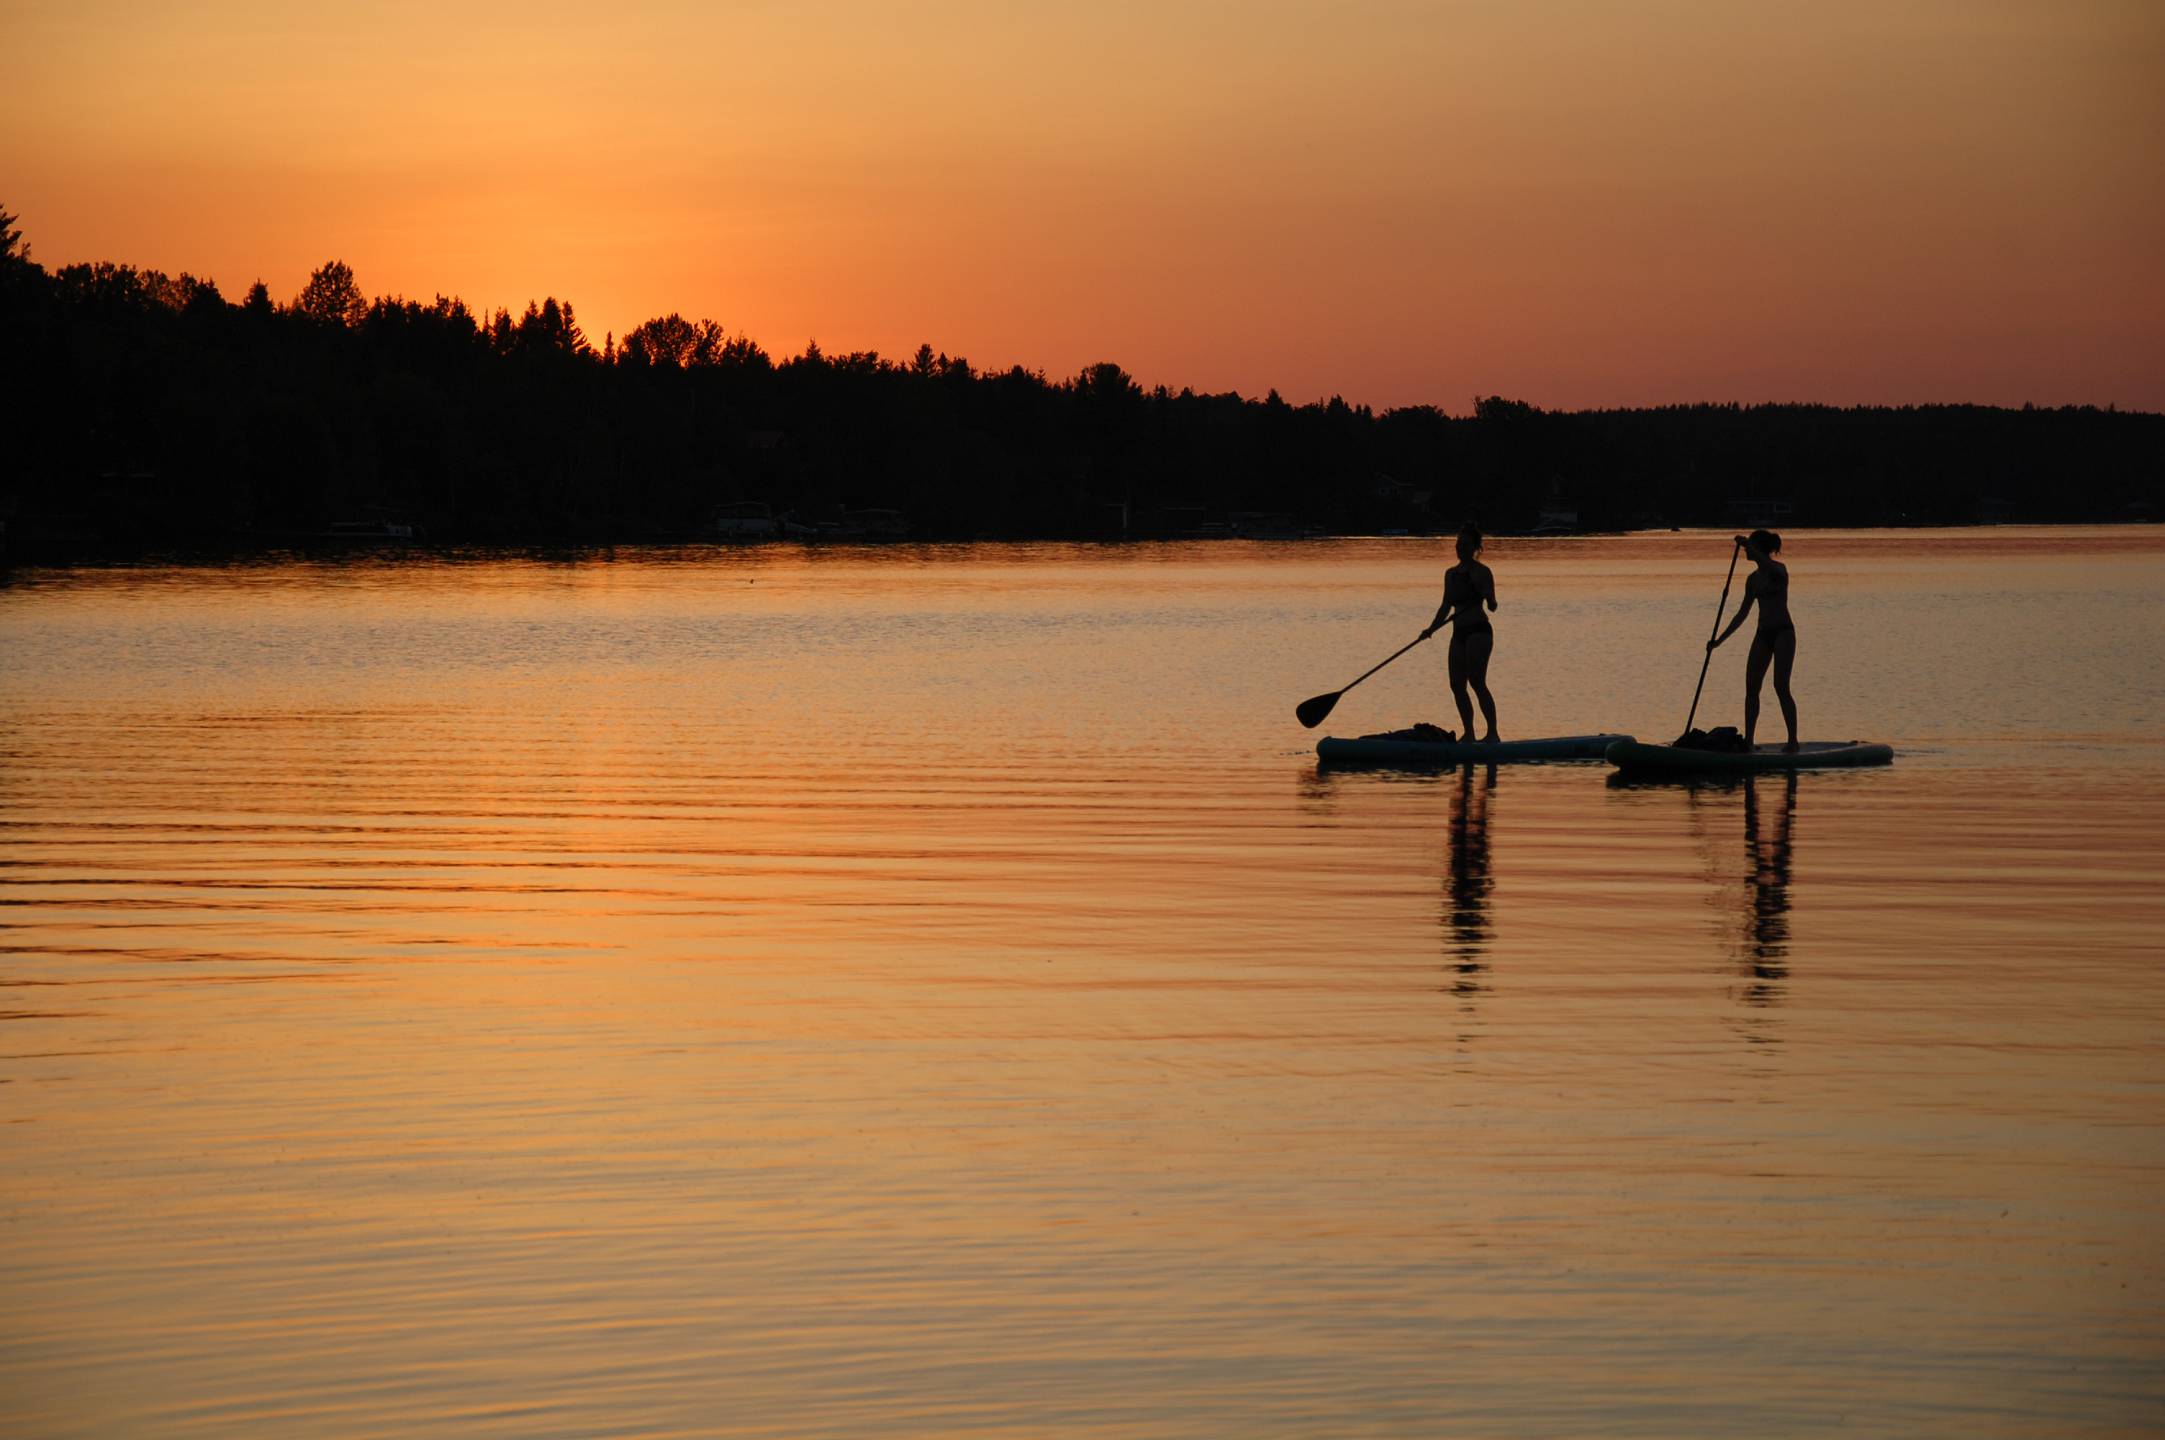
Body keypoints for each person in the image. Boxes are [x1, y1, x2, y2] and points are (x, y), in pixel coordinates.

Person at [1707, 529, 1798, 751]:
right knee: (1751, 688)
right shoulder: (1753, 580)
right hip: (1763, 634)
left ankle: (1793, 741)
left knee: (1780, 686)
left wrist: (1750, 546)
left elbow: (1765, 563)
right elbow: (1742, 614)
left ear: (1760, 549)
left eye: (1751, 548)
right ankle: (1749, 741)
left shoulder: (1779, 571)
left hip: (1784, 633)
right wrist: (1718, 641)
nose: (1746, 551)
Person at [1422, 524, 1500, 742]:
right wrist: (1430, 629)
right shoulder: (1450, 574)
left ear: (1475, 548)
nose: (1460, 548)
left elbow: (1493, 605)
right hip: (1459, 634)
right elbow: (1445, 606)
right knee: (1457, 684)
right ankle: (1469, 733)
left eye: (1465, 544)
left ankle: (1493, 733)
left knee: (1477, 681)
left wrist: (1489, 597)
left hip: (1479, 632)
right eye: (1458, 544)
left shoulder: (1482, 572)